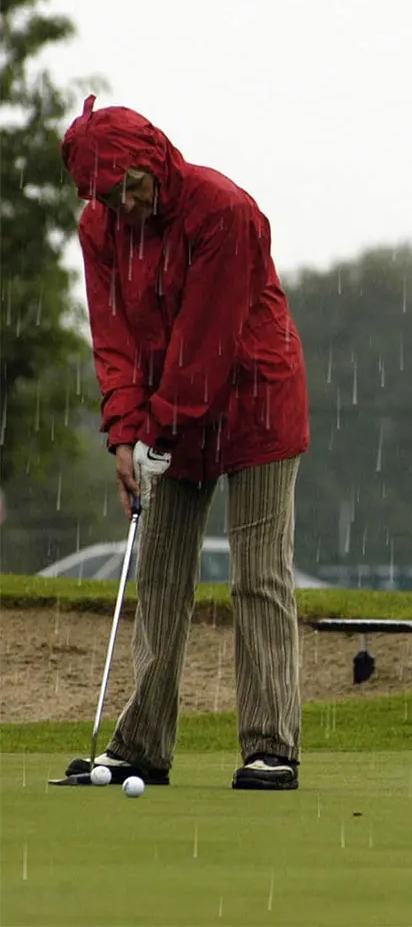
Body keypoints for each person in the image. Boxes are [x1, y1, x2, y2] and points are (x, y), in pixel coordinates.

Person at [59, 95, 310, 791]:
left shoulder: (222, 211)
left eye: (131, 187)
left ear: (154, 159)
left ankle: (270, 745)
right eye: (108, 197)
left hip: (255, 399)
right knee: (161, 575)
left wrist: (156, 432)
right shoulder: (100, 229)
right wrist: (124, 432)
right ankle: (141, 743)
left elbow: (207, 339)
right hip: (170, 412)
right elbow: (112, 338)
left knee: (258, 577)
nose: (126, 206)